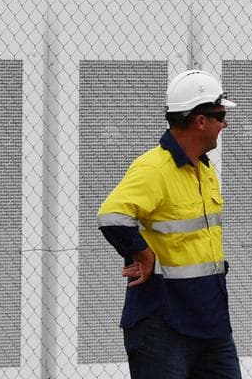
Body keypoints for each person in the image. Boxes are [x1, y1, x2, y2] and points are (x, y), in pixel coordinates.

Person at [97, 69, 242, 379]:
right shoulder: (153, 168)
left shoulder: (204, 170)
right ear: (199, 120)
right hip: (163, 323)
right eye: (219, 116)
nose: (224, 124)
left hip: (211, 320)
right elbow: (112, 216)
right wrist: (143, 254)